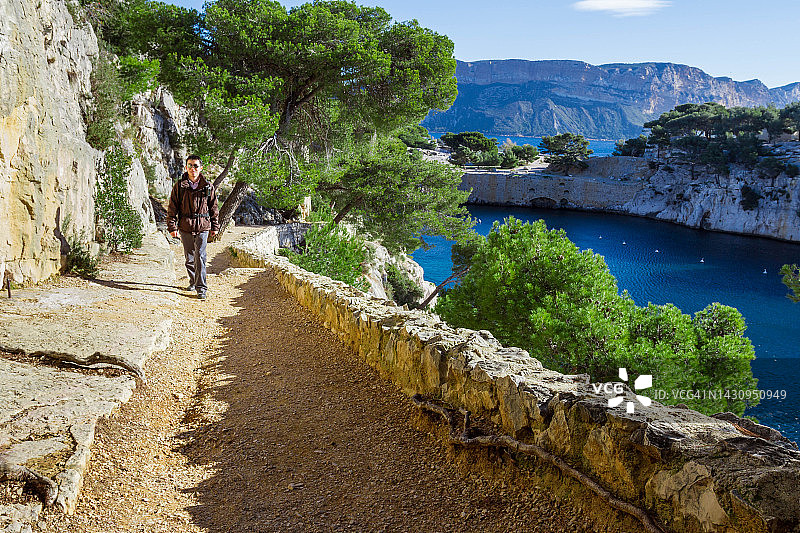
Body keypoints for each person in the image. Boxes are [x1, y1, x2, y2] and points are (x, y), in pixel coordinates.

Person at [167, 155, 219, 300]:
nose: (193, 169)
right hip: (185, 226)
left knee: (200, 256)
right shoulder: (179, 186)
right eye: (190, 165)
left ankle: (201, 288)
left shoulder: (208, 186)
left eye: (195, 166)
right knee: (189, 257)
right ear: (186, 168)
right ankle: (193, 281)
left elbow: (213, 207)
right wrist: (172, 227)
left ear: (201, 168)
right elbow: (172, 207)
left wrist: (215, 226)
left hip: (203, 226)